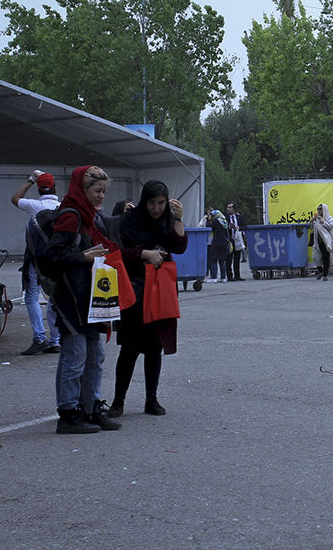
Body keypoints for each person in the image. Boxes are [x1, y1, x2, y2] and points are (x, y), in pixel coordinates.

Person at [44, 165, 122, 434]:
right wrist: (84, 257)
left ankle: (89, 408)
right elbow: (53, 254)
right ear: (83, 189)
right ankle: (68, 414)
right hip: (72, 297)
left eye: (104, 191)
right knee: (75, 356)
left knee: (95, 355)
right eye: (97, 191)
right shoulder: (71, 216)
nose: (101, 196)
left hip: (89, 297)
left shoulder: (88, 217)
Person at [109, 180, 187, 419]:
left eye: (161, 203)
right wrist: (144, 253)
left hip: (160, 288)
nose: (156, 208)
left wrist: (179, 219)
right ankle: (118, 401)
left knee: (155, 346)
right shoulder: (131, 220)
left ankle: (151, 399)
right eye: (152, 203)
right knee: (130, 347)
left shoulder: (165, 219)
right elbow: (119, 250)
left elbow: (179, 246)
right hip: (135, 288)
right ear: (145, 201)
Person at [12, 171, 62, 356]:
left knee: (31, 297)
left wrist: (30, 180)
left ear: (39, 189)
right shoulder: (61, 206)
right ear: (55, 187)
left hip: (35, 260)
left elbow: (15, 198)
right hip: (56, 260)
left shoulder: (34, 205)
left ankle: (39, 338)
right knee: (54, 298)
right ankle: (56, 339)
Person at [311, 202, 333, 281]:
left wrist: (323, 222)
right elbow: (313, 228)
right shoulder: (317, 219)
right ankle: (321, 271)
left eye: (320, 209)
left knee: (325, 258)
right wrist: (311, 221)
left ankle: (325, 275)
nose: (318, 210)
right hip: (318, 242)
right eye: (318, 209)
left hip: (326, 242)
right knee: (315, 257)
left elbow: (330, 227)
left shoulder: (329, 218)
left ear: (324, 209)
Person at [205, 208, 230, 283]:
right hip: (224, 242)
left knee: (214, 259)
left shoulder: (216, 221)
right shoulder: (224, 221)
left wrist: (208, 219)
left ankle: (214, 277)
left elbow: (208, 226)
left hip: (216, 242)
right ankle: (223, 277)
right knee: (222, 260)